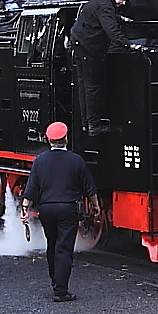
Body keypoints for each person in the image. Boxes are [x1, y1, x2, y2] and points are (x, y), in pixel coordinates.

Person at [20, 121, 100, 302]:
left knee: (52, 244)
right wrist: (96, 206)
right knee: (64, 248)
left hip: (46, 209)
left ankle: (55, 281)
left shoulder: (39, 161)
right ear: (66, 139)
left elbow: (31, 188)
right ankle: (61, 290)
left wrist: (24, 209)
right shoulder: (76, 160)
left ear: (49, 140)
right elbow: (89, 188)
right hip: (67, 208)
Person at [70, 0, 132, 137]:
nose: (123, 4)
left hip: (79, 42)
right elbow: (111, 31)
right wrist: (129, 45)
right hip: (88, 47)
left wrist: (121, 20)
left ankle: (86, 123)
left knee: (84, 85)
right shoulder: (105, 6)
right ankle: (94, 125)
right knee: (93, 86)